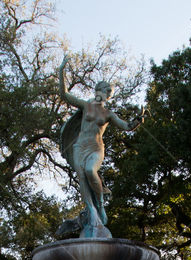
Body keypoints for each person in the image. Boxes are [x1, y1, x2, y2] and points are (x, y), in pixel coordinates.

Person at [58, 56, 145, 238]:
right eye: (103, 90)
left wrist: (137, 121)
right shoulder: (86, 105)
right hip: (80, 146)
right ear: (97, 91)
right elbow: (65, 95)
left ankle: (100, 202)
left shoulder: (108, 114)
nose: (105, 94)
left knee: (90, 171)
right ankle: (92, 211)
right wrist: (61, 72)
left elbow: (126, 126)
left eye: (108, 92)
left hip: (96, 148)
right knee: (82, 177)